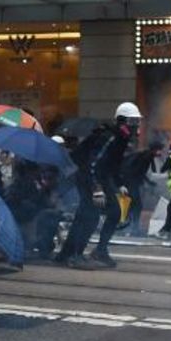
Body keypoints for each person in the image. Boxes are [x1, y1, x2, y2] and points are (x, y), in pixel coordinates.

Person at [55, 102, 141, 268]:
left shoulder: (120, 138)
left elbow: (112, 165)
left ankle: (92, 251)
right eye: (132, 121)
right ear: (122, 121)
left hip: (100, 176)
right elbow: (92, 164)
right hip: (88, 176)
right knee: (89, 214)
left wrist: (120, 183)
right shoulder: (109, 137)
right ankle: (75, 255)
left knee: (111, 212)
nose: (135, 126)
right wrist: (97, 189)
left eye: (137, 121)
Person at [6, 161, 63, 260]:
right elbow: (37, 202)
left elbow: (43, 202)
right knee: (48, 218)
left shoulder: (33, 184)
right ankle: (38, 248)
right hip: (24, 216)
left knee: (51, 216)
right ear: (30, 172)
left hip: (31, 215)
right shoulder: (21, 185)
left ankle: (41, 248)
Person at [120, 141, 162, 237]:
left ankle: (130, 227)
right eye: (159, 150)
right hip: (131, 182)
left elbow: (140, 172)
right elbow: (137, 171)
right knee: (137, 205)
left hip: (131, 182)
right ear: (154, 150)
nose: (160, 153)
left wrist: (148, 182)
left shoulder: (146, 156)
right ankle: (132, 228)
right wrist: (142, 181)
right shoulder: (146, 157)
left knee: (133, 205)